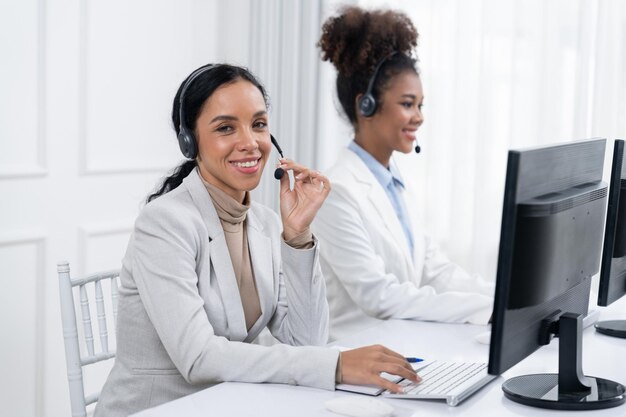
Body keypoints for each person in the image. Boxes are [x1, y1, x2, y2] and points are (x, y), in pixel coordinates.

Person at [95, 63, 419, 416]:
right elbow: (199, 357)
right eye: (225, 128)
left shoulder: (263, 223)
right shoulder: (164, 223)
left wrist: (297, 238)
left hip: (229, 405)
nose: (250, 143)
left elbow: (307, 341)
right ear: (190, 141)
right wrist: (335, 365)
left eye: (259, 125)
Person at [313, 7, 494, 341]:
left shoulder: (394, 185)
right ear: (365, 105)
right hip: (354, 357)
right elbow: (379, 295)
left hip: (400, 348)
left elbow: (434, 271)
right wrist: (483, 310)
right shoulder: (336, 191)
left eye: (420, 105)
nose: (419, 117)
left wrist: (502, 297)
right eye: (408, 104)